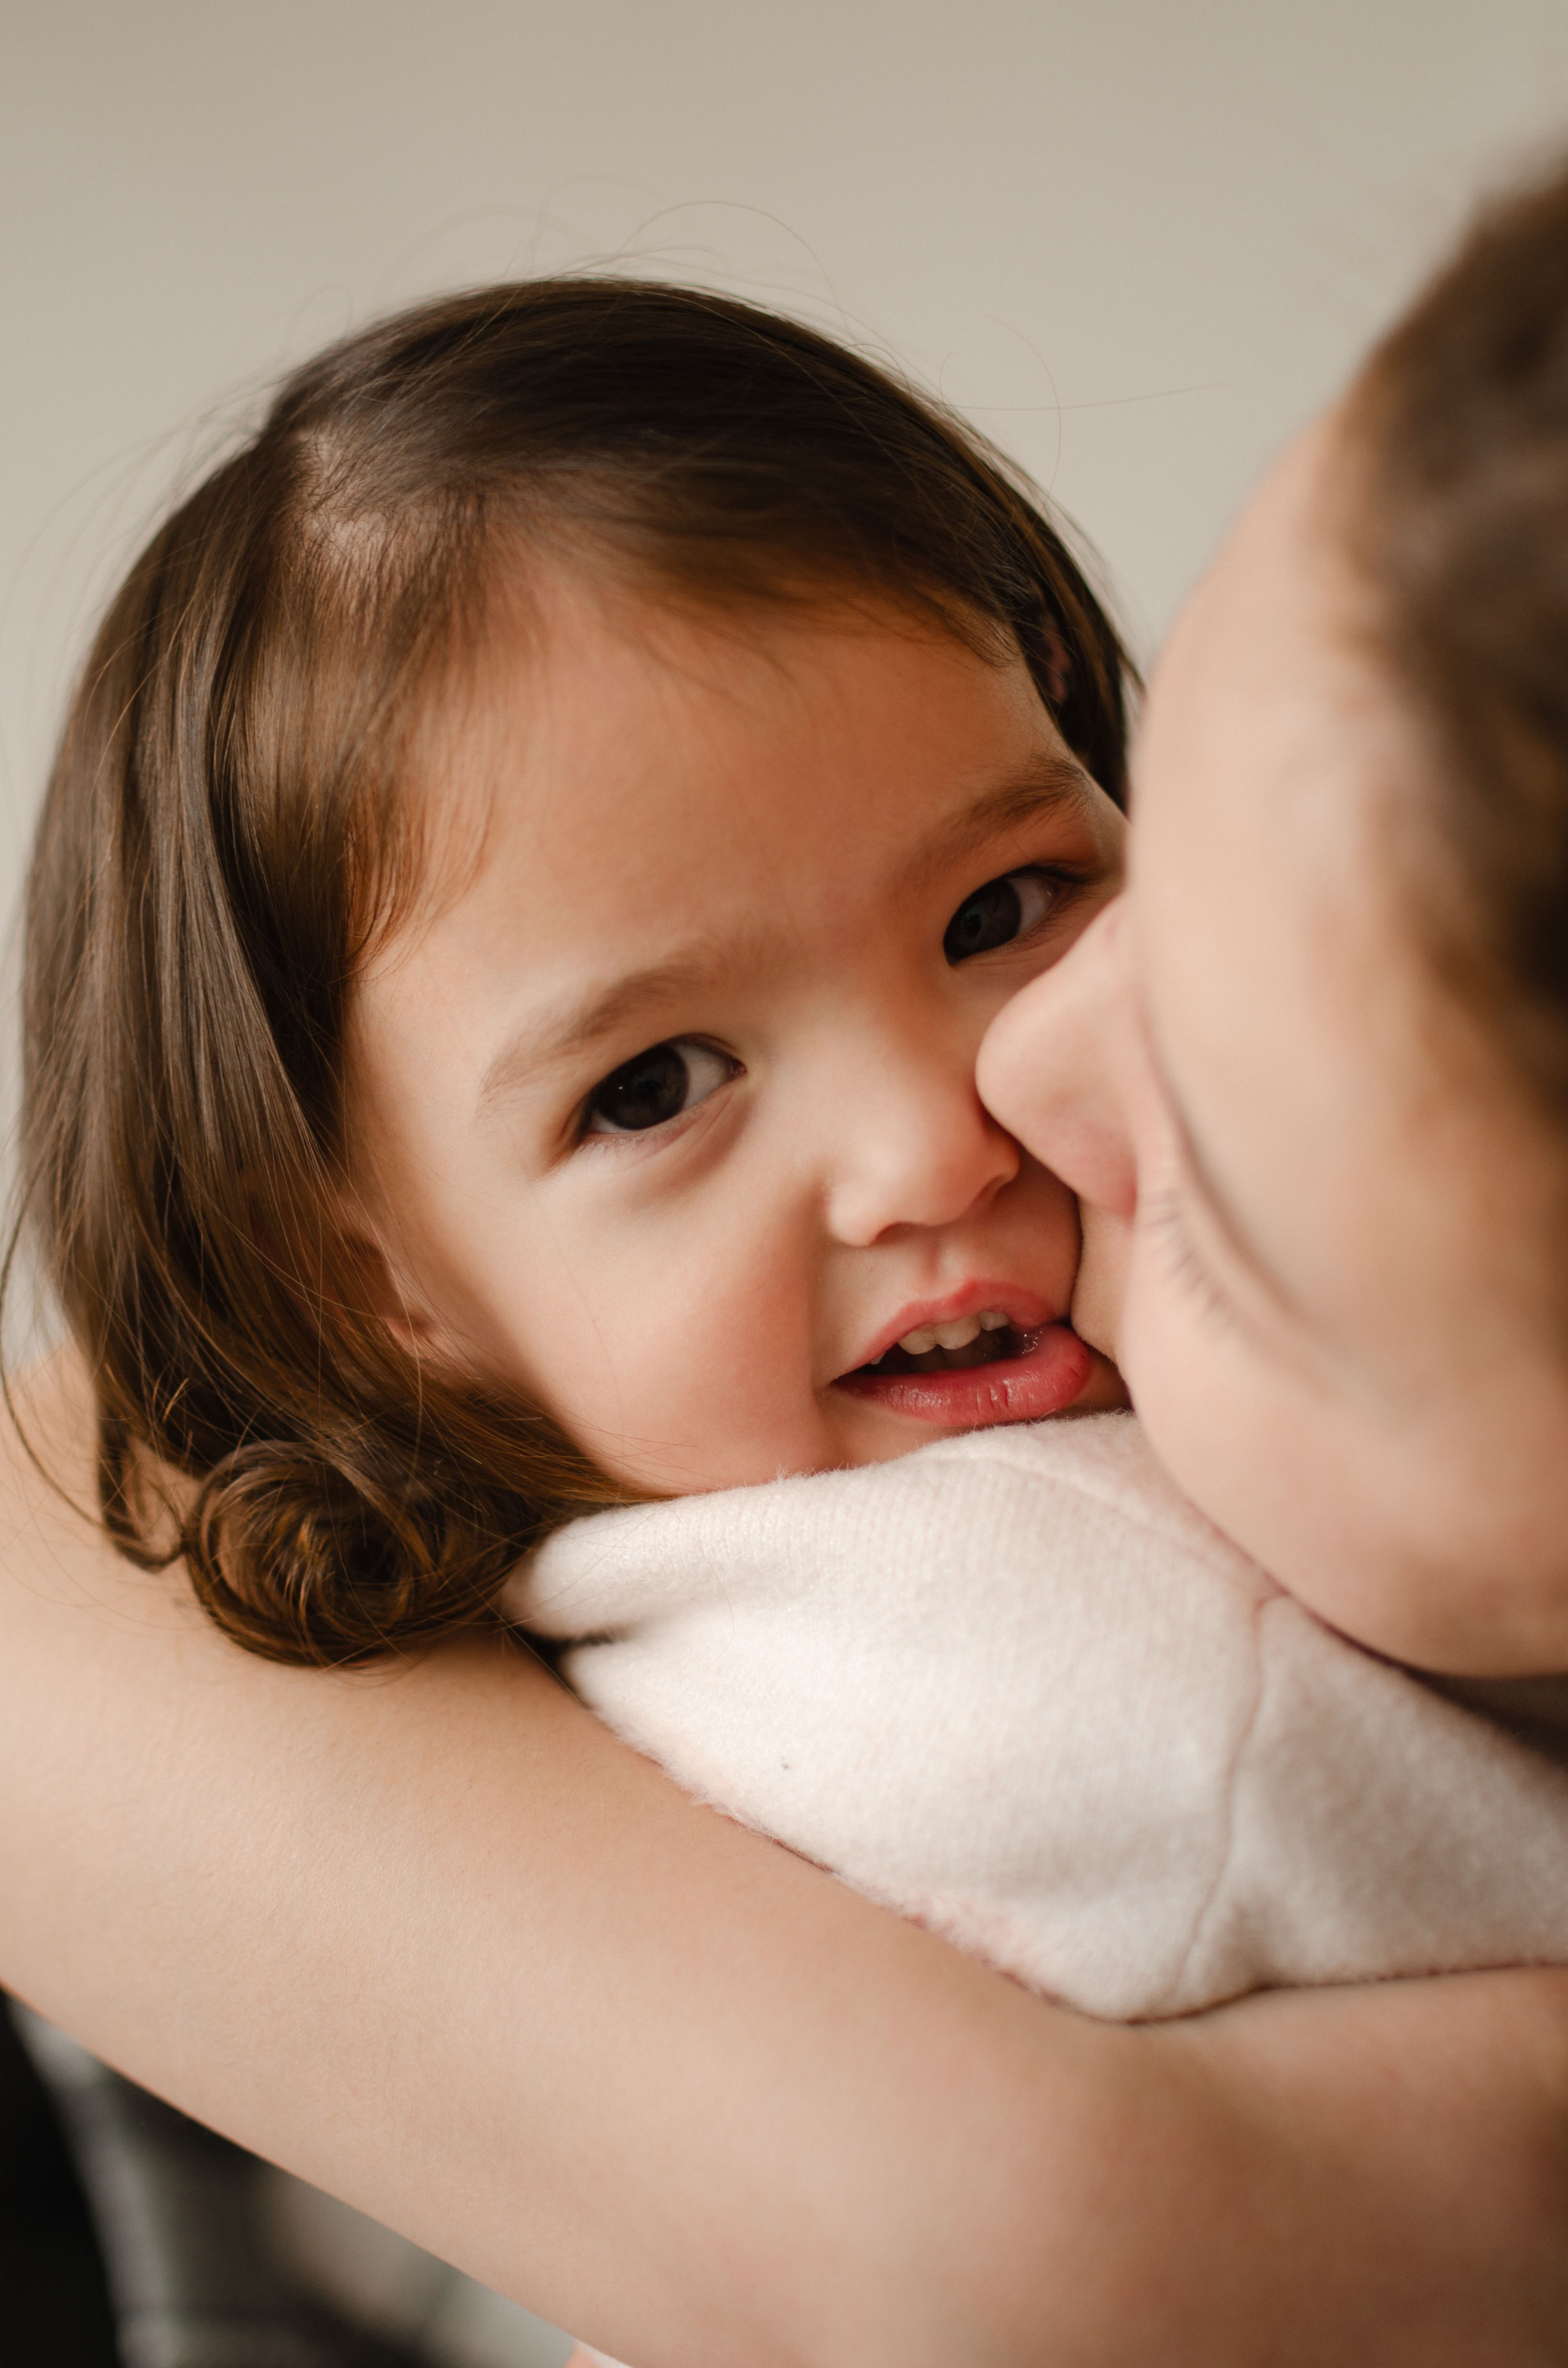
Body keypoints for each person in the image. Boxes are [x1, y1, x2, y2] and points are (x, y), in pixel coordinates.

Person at [5, 165, 1568, 2366]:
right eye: (655, 1086)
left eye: (1005, 908)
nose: (944, 1130)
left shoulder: (1126, 1670)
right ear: (373, 1290)